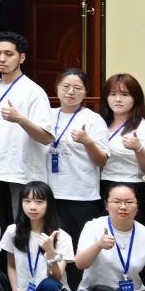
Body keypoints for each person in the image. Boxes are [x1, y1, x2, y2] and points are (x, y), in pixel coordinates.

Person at [0, 32, 54, 228]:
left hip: (21, 174)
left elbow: (46, 137)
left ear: (21, 57)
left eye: (9, 54)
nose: (2, 58)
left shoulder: (34, 92)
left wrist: (20, 119)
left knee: (20, 229)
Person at [89, 72, 145, 226]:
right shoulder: (99, 123)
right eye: (112, 94)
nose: (118, 99)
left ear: (136, 98)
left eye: (124, 94)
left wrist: (138, 148)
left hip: (131, 188)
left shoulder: (144, 128)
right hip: (100, 188)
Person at [44, 69, 108, 233]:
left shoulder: (93, 119)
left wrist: (88, 142)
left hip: (81, 195)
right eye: (65, 86)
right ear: (57, 87)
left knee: (78, 243)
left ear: (86, 91)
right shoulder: (47, 115)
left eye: (78, 88)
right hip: (48, 193)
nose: (71, 92)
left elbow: (101, 160)